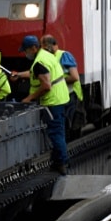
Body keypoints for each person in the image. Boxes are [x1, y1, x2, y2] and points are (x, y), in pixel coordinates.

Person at [14, 35, 70, 174]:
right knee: (59, 132)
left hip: (52, 101)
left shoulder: (39, 61)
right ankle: (58, 161)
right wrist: (20, 75)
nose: (26, 54)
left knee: (55, 133)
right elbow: (35, 74)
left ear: (34, 48)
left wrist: (29, 98)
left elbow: (46, 86)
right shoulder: (46, 55)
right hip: (60, 98)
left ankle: (61, 164)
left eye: (26, 50)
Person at [42, 34, 83, 134]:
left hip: (70, 94)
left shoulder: (64, 56)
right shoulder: (49, 57)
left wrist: (56, 82)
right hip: (60, 95)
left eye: (45, 47)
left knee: (68, 124)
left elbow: (75, 77)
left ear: (51, 45)